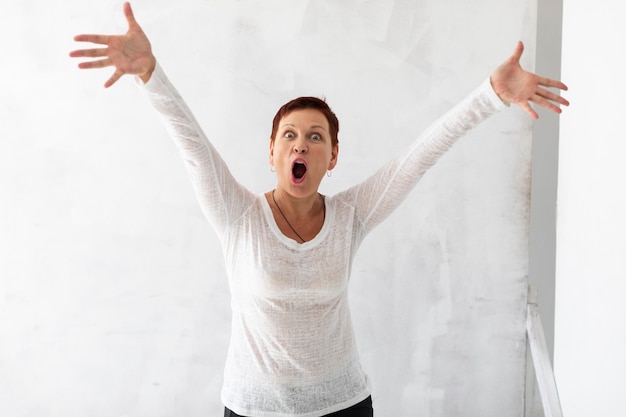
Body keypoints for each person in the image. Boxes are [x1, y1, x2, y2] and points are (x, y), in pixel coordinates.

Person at [70, 3, 568, 417]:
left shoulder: (352, 215)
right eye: (289, 136)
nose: (300, 146)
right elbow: (191, 142)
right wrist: (151, 75)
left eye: (315, 137)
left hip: (343, 405)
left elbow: (418, 156)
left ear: (332, 157)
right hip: (251, 409)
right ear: (272, 152)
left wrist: (490, 96)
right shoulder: (237, 215)